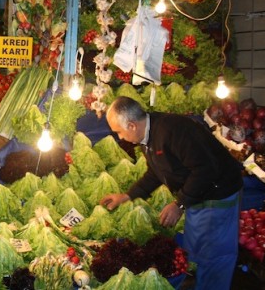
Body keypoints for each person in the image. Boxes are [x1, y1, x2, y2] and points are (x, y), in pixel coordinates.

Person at [99, 96, 243, 290]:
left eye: (119, 132)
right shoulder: (149, 136)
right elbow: (156, 172)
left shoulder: (174, 131)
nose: (120, 138)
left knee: (213, 255)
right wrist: (127, 196)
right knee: (195, 252)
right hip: (198, 197)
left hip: (216, 197)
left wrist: (180, 204)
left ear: (132, 125)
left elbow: (206, 169)